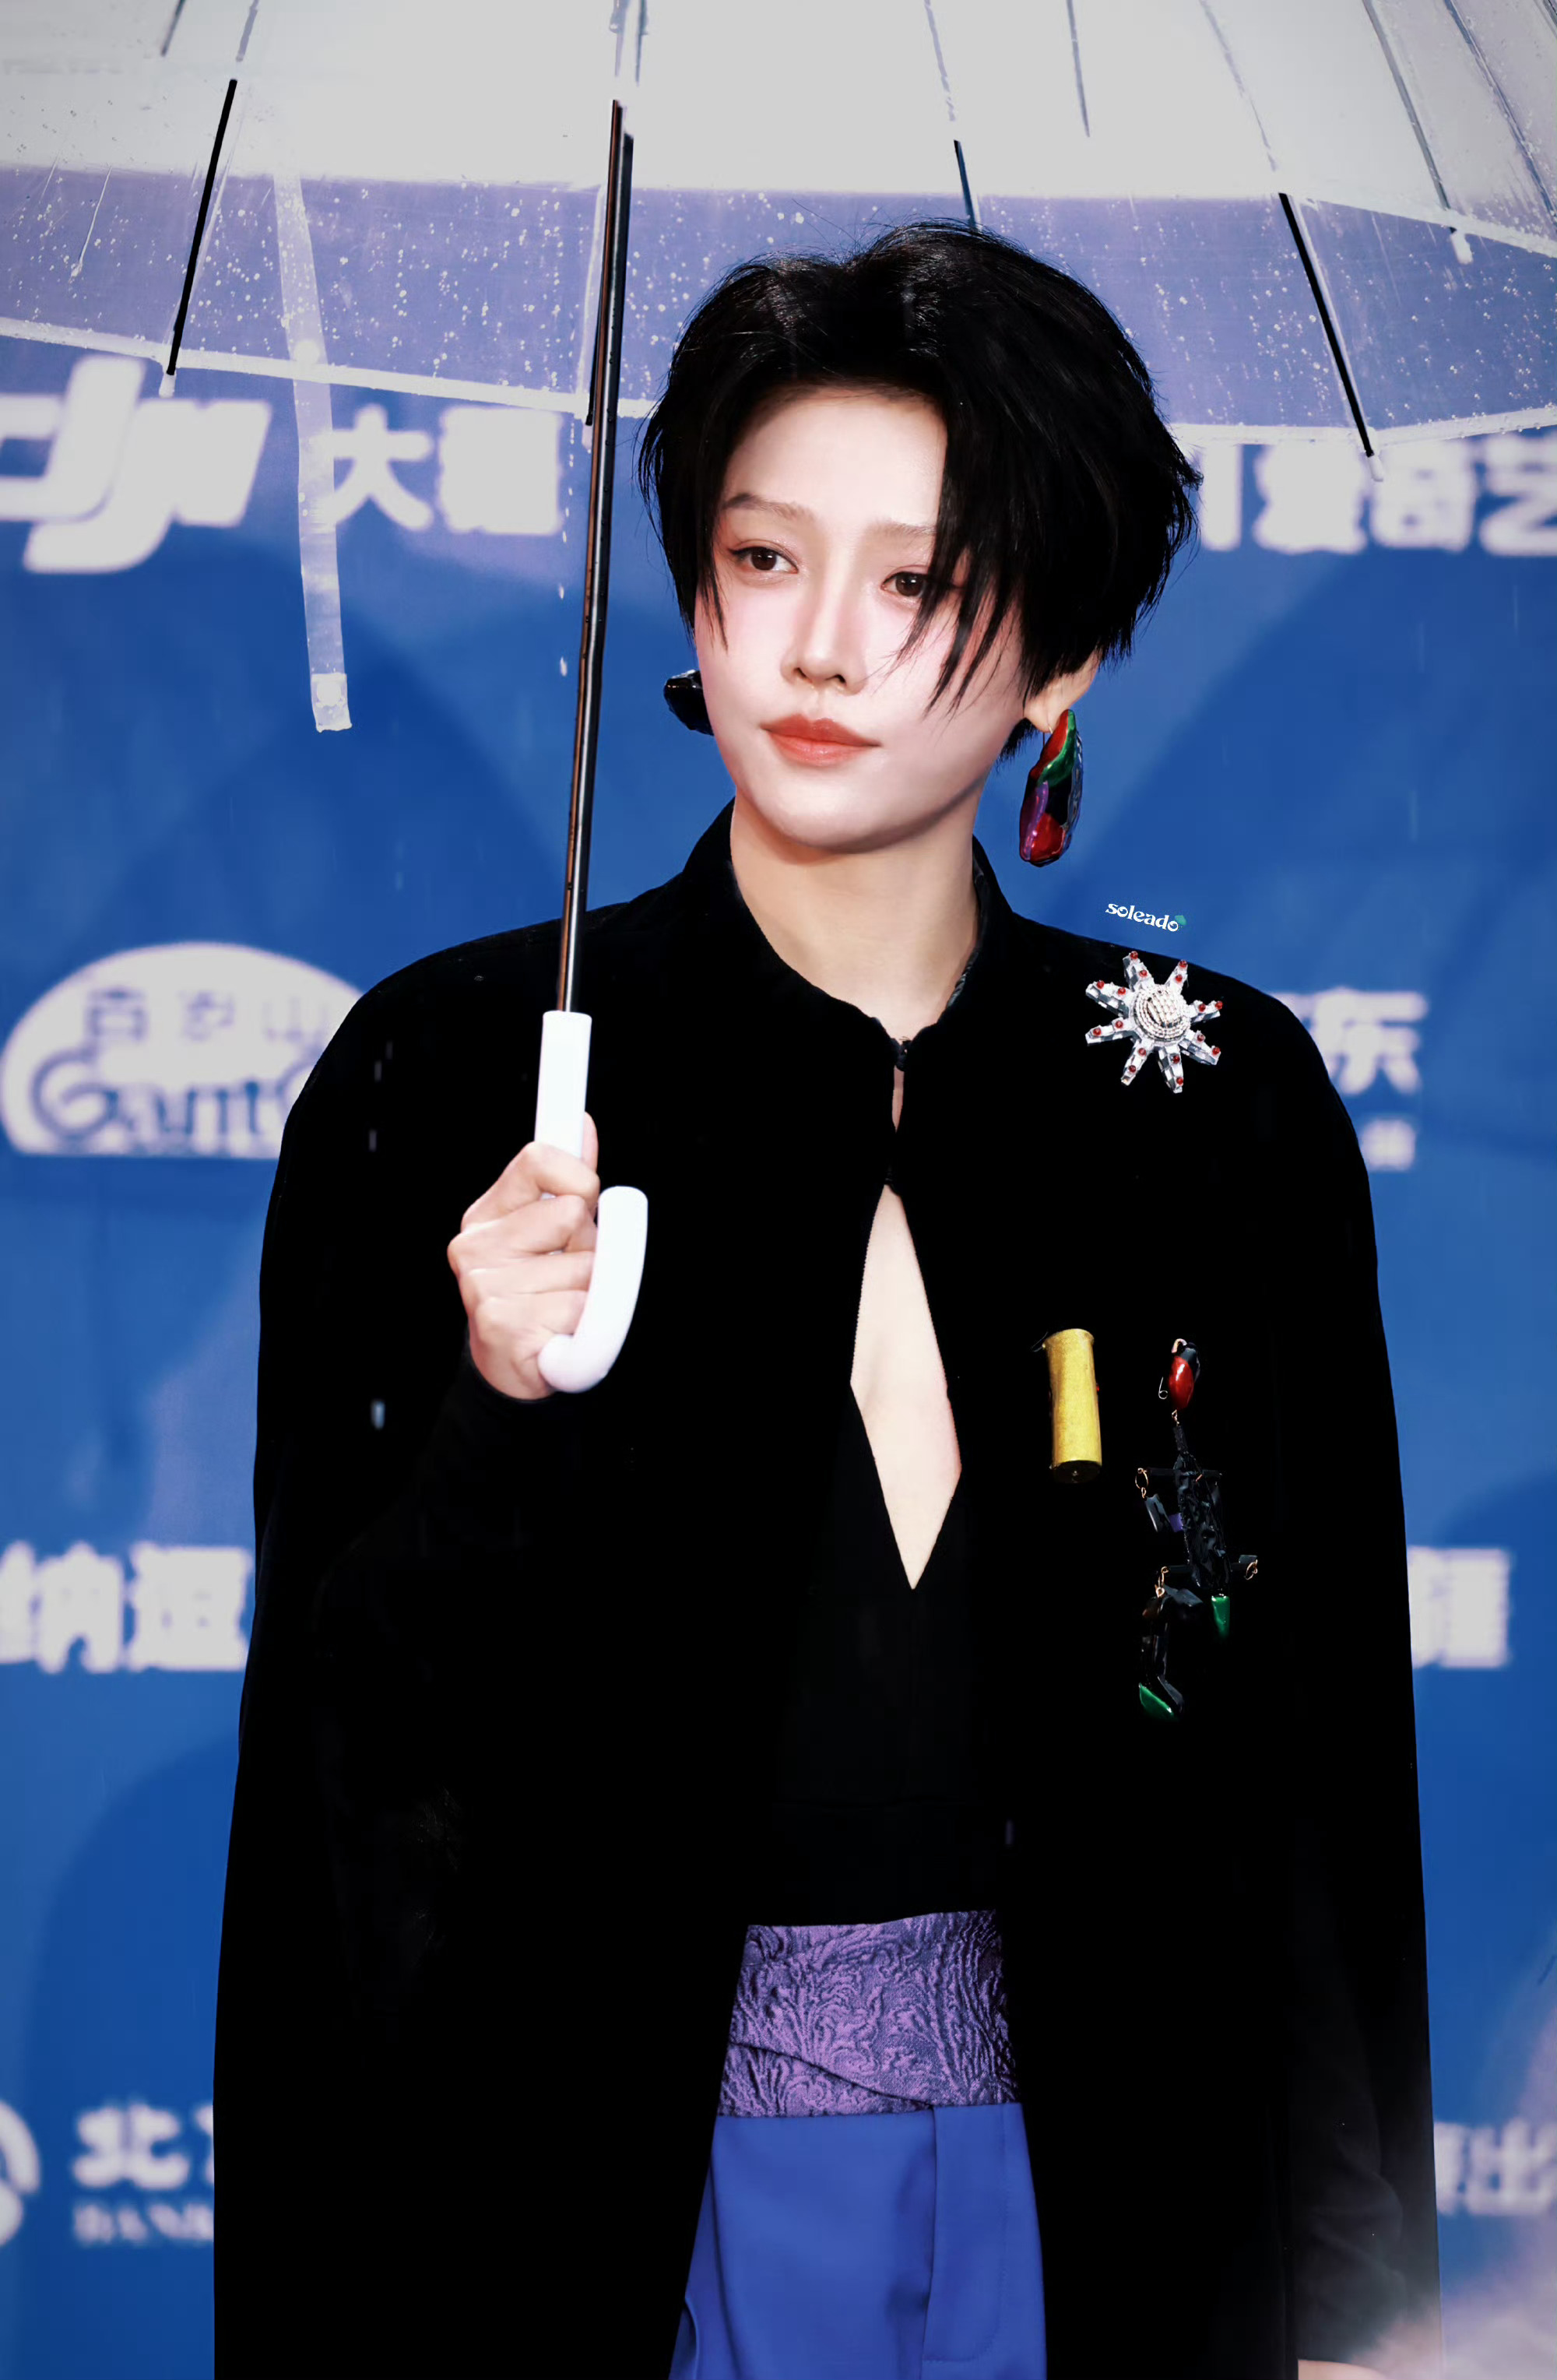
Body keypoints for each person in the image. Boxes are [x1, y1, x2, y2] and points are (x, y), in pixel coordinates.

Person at [213, 222, 1437, 2380]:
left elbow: (1312, 1762)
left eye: (918, 581)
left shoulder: (1209, 1103)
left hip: (1118, 2206)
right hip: (598, 2207)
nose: (821, 646)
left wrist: (1360, 2310)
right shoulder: (457, 1075)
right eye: (764, 558)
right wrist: (496, 1401)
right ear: (694, 591)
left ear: (1061, 655)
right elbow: (342, 1755)